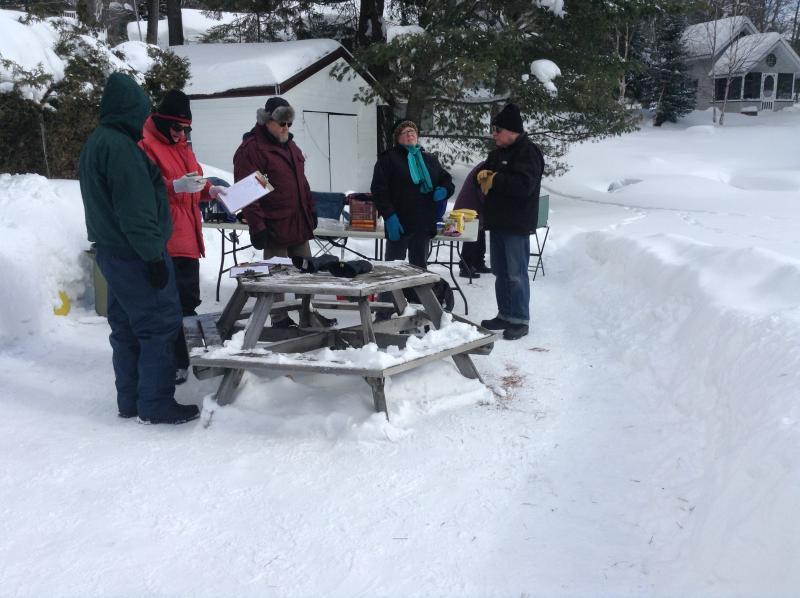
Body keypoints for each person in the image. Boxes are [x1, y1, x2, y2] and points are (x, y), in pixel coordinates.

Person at [78, 73, 200, 424]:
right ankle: (156, 403)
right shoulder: (121, 150)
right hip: (135, 253)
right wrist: (153, 256)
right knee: (158, 325)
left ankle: (130, 400)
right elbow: (136, 210)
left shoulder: (97, 143)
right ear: (130, 110)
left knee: (126, 327)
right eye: (141, 111)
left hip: (111, 251)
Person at [138, 90, 226, 385]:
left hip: (189, 237)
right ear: (163, 122)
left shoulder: (183, 146)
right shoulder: (145, 145)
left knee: (188, 301)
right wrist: (174, 186)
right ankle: (173, 361)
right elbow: (145, 188)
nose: (182, 133)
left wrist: (210, 189)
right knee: (170, 306)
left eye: (187, 128)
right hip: (168, 238)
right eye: (177, 127)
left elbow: (195, 180)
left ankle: (183, 357)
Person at [233, 96, 334, 328]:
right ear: (267, 121)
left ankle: (308, 313)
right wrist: (258, 227)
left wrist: (310, 210)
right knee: (276, 276)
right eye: (281, 123)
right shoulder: (253, 149)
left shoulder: (291, 146)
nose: (286, 128)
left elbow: (302, 183)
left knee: (306, 273)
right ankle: (278, 318)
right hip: (273, 225)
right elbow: (248, 193)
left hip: (298, 223)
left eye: (289, 123)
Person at [477, 103, 544, 341]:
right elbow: (486, 174)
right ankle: (505, 314)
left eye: (498, 130)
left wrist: (495, 180)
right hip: (497, 222)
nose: (494, 135)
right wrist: (482, 176)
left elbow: (524, 186)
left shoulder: (528, 152)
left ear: (511, 130)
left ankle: (520, 319)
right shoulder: (497, 153)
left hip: (516, 224)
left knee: (516, 273)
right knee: (500, 271)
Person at [371, 119, 454, 272]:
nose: (409, 134)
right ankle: (391, 290)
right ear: (397, 138)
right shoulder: (388, 159)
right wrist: (389, 216)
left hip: (423, 225)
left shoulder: (429, 159)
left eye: (412, 131)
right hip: (399, 223)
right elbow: (378, 190)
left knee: (419, 270)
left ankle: (418, 290)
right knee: (393, 271)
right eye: (404, 132)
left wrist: (444, 190)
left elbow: (447, 181)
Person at [454, 161, 491, 279]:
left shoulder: (487, 166)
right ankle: (465, 266)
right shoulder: (487, 169)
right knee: (471, 236)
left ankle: (478, 263)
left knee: (480, 235)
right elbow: (483, 192)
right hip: (469, 206)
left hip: (473, 205)